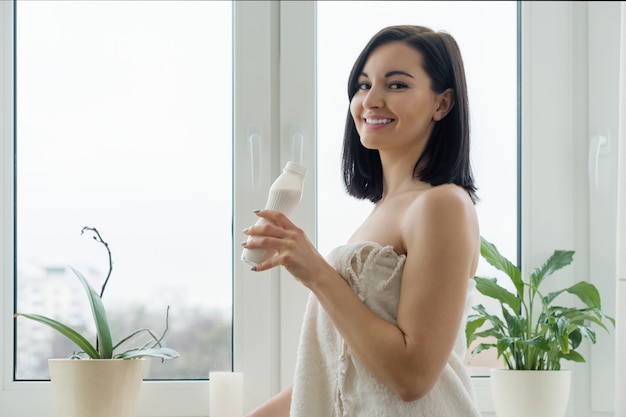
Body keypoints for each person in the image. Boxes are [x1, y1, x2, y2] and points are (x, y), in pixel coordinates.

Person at [242, 25, 481, 417]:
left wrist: (316, 271)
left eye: (397, 85)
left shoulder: (443, 206)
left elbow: (413, 377)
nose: (372, 100)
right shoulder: (380, 215)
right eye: (363, 85)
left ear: (442, 103)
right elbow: (336, 369)